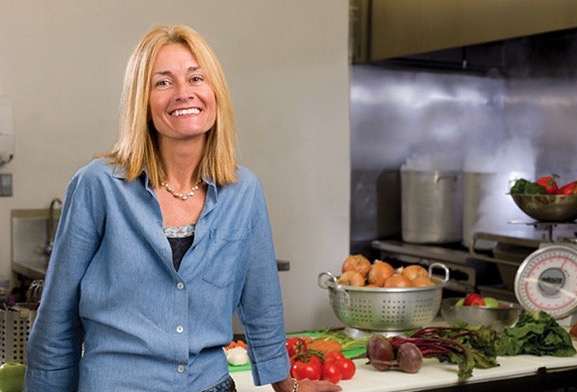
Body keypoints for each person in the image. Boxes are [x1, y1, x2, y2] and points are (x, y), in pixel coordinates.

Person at [24, 24, 342, 392]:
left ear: (215, 92)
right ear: (142, 101)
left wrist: (291, 388)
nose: (183, 93)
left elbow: (261, 306)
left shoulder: (244, 192)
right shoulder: (97, 186)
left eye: (196, 77)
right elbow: (56, 320)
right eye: (163, 82)